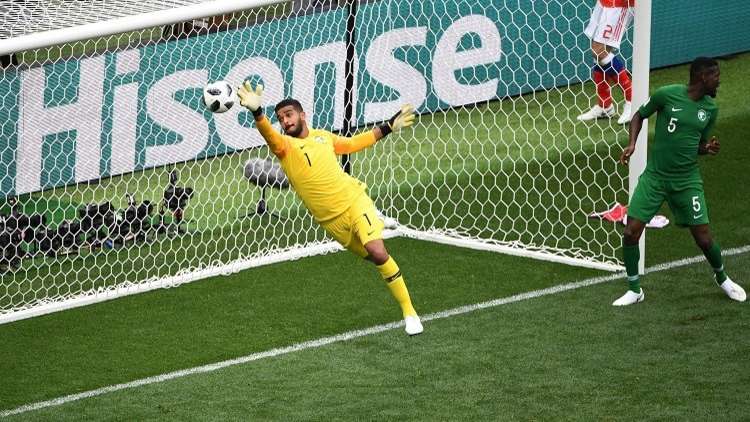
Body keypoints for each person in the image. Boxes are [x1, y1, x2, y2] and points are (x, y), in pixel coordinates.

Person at [237, 81, 423, 335]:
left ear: (302, 115)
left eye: (289, 115)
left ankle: (410, 313)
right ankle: (377, 220)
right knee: (373, 258)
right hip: (331, 222)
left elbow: (352, 144)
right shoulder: (285, 147)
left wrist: (388, 127)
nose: (285, 121)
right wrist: (258, 115)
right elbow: (270, 135)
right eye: (280, 119)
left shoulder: (323, 137)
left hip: (353, 200)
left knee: (378, 252)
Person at [614, 57, 746, 306]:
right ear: (703, 77)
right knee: (631, 232)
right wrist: (632, 144)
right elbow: (639, 115)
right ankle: (634, 290)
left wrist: (706, 148)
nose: (718, 81)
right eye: (715, 76)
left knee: (704, 239)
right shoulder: (667, 94)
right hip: (655, 178)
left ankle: (723, 278)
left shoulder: (710, 109)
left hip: (686, 181)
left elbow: (695, 145)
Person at [577, 0, 634, 124]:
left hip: (619, 4)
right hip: (604, 3)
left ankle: (633, 99)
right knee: (598, 50)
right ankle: (605, 106)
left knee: (599, 51)